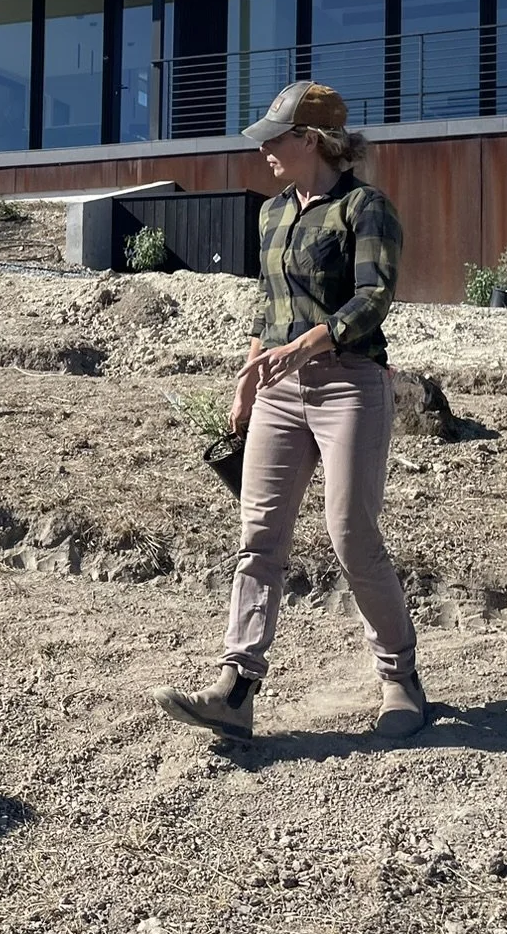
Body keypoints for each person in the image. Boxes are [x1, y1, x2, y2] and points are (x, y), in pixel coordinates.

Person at [153, 80, 425, 742]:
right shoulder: (273, 212)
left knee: (351, 534)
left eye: (275, 137)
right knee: (259, 535)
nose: (265, 148)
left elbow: (373, 298)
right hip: (277, 387)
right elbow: (266, 303)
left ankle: (400, 678)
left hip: (349, 383)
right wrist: (248, 379)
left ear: (312, 140)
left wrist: (307, 346)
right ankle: (236, 689)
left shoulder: (365, 208)